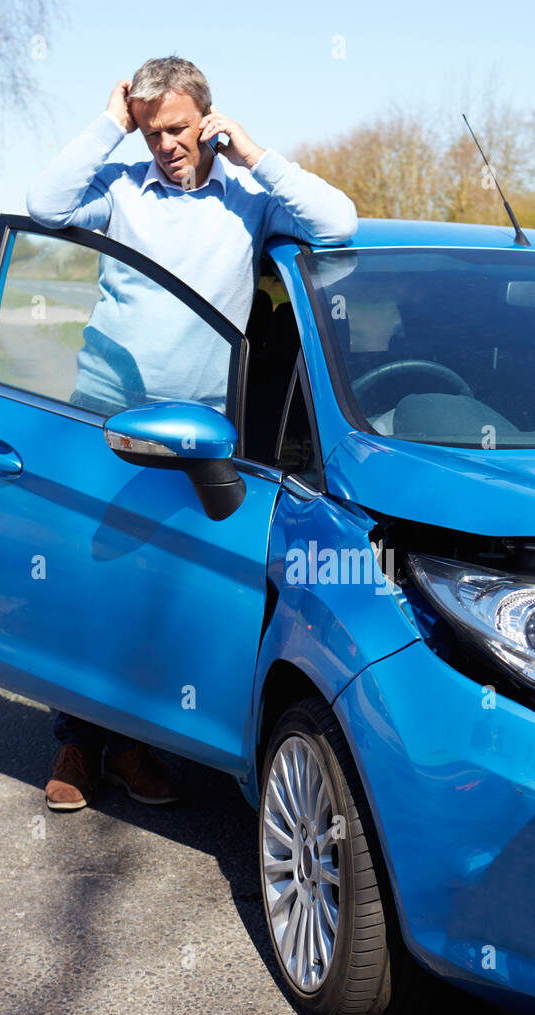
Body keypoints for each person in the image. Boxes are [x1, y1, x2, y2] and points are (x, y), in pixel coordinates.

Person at [26, 55, 358, 812]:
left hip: (199, 434)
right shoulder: (119, 189)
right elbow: (42, 205)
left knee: (163, 585)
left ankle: (137, 743)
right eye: (150, 132)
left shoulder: (248, 196)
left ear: (206, 118)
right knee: (88, 580)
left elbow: (339, 224)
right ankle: (78, 743)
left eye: (176, 128)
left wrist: (257, 155)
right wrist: (110, 122)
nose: (165, 144)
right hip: (105, 415)